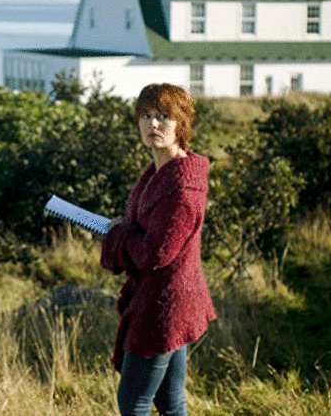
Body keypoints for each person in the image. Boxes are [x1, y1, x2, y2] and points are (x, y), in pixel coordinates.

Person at [100, 83, 216, 416]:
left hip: (164, 305)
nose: (153, 124)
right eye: (147, 116)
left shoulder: (181, 187)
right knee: (169, 401)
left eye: (164, 116)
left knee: (133, 401)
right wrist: (121, 231)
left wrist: (118, 235)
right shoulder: (159, 170)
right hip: (173, 297)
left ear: (182, 124)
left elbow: (156, 253)